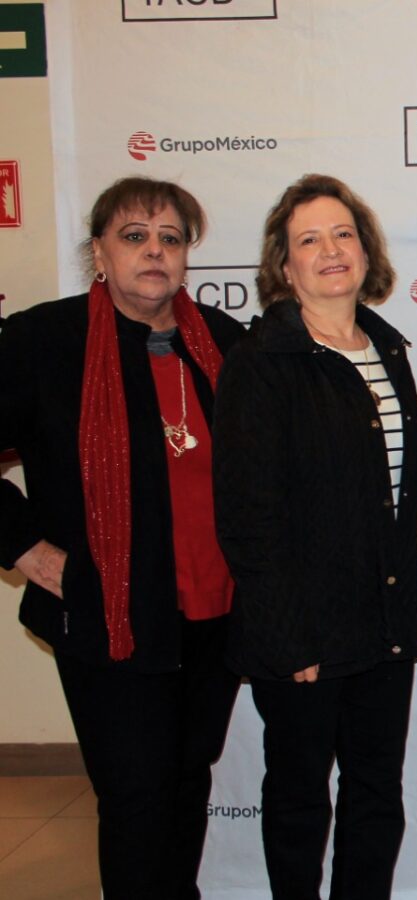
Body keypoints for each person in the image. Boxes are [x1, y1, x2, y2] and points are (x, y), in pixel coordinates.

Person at [0, 177, 243, 899]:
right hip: (105, 615)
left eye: (171, 238)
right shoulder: (43, 341)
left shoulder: (225, 344)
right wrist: (30, 552)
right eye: (135, 236)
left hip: (214, 615)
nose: (154, 252)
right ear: (99, 252)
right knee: (136, 795)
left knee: (188, 781)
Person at [213, 174, 417, 899]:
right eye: (309, 239)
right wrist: (286, 639)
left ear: (366, 250)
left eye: (343, 234)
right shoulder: (261, 361)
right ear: (285, 263)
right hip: (302, 632)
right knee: (301, 799)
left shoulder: (388, 349)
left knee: (376, 794)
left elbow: (395, 486)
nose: (331, 250)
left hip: (384, 622)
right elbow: (248, 513)